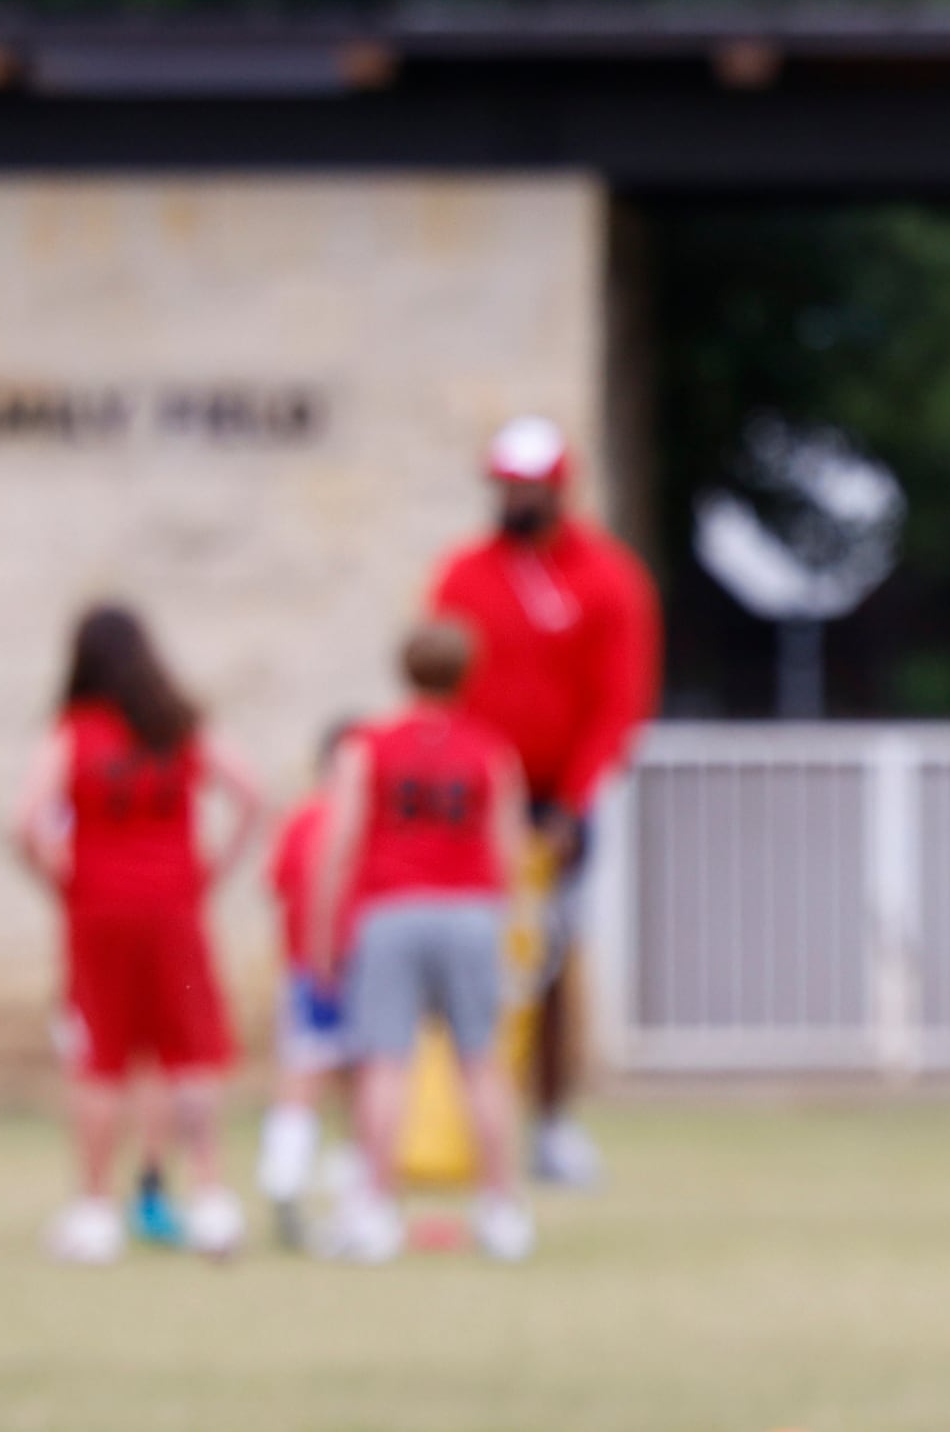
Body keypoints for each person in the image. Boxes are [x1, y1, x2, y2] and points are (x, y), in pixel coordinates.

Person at [428, 415, 658, 1187]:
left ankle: (551, 1121)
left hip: (556, 803)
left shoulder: (607, 579)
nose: (513, 498)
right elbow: (443, 684)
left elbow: (618, 702)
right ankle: (443, 1121)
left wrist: (571, 802)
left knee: (551, 962)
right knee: (457, 954)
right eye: (504, 484)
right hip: (470, 800)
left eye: (527, 486)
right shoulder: (464, 573)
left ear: (561, 488)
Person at [14, 604, 267, 1263]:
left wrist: (62, 879)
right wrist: (210, 869)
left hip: (99, 914)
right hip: (174, 910)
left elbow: (27, 821)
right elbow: (251, 796)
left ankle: (95, 1210)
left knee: (99, 1059)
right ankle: (210, 1199)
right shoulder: (179, 725)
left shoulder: (73, 730)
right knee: (190, 1053)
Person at [311, 619, 536, 1263]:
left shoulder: (368, 746)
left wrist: (325, 930)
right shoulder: (490, 750)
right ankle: (501, 1210)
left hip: (391, 911)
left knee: (384, 1063)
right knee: (482, 1062)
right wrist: (508, 928)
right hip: (470, 912)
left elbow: (340, 843)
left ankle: (372, 1211)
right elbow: (509, 848)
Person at [257, 721, 364, 1250]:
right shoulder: (363, 822)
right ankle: (347, 1199)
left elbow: (275, 885)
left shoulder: (298, 819)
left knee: (305, 1074)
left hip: (307, 967)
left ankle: (288, 1182)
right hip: (348, 965)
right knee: (358, 1084)